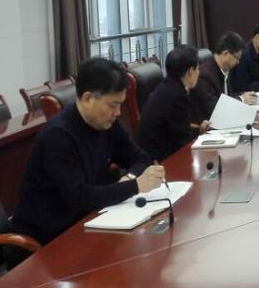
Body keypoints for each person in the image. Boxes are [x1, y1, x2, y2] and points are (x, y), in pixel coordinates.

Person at [10, 58, 164, 261]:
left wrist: (129, 179)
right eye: (113, 105)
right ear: (88, 98)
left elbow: (140, 157)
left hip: (90, 222)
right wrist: (135, 185)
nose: (118, 112)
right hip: (48, 242)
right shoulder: (58, 136)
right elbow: (80, 199)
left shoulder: (105, 123)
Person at [137, 45, 207, 162]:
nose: (199, 73)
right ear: (191, 71)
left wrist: (199, 130)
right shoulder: (178, 95)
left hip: (155, 153)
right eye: (198, 69)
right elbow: (182, 140)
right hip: (161, 160)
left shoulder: (168, 86)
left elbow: (178, 127)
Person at [191, 31, 257, 123]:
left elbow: (226, 97)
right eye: (237, 58)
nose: (238, 62)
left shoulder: (224, 69)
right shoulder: (205, 76)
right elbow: (214, 109)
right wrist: (241, 99)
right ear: (226, 53)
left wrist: (243, 95)